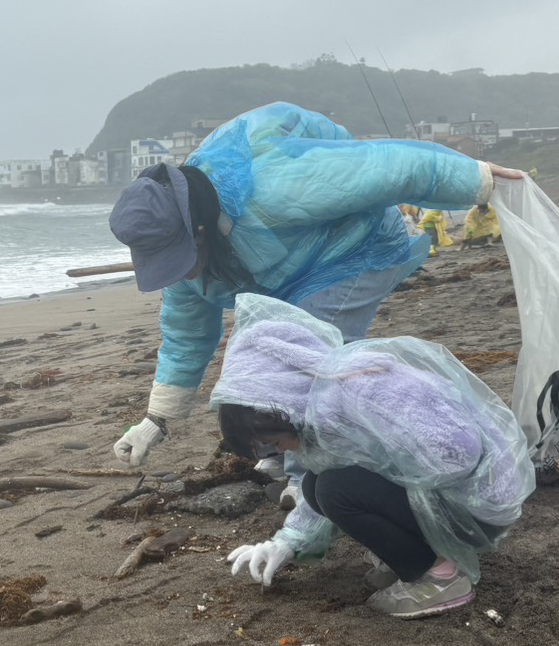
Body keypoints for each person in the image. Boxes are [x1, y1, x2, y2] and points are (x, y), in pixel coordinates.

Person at [107, 101, 524, 471]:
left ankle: (313, 470)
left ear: (198, 231)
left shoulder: (273, 186)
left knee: (310, 352)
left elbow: (391, 168)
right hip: (286, 274)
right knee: (256, 354)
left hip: (356, 248)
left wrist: (477, 180)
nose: (180, 273)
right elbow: (186, 337)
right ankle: (279, 450)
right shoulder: (184, 259)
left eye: (178, 258)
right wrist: (156, 419)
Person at [213, 294, 534, 618]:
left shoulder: (359, 390)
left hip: (477, 505)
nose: (279, 452)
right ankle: (418, 555)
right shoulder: (317, 407)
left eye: (271, 443)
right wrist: (286, 543)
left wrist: (380, 466)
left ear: (280, 404)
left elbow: (460, 452)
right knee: (316, 485)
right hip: (453, 500)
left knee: (337, 489)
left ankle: (439, 578)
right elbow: (332, 475)